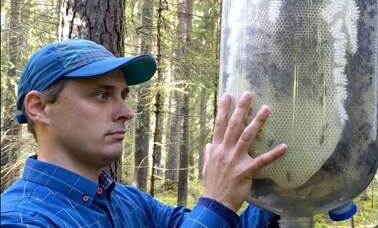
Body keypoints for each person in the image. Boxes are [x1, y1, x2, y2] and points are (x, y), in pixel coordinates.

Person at [0, 39, 288, 227]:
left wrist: (286, 194)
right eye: (102, 95)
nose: (126, 111)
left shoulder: (128, 203)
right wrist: (217, 200)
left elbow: (219, 223)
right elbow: (212, 214)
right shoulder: (21, 218)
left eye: (123, 95)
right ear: (39, 107)